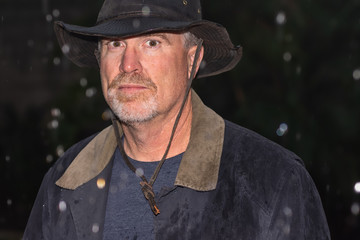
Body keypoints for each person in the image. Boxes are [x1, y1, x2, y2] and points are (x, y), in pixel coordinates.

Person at [23, 0, 330, 239]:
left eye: (151, 43)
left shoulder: (272, 182)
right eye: (115, 44)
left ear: (193, 59)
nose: (128, 65)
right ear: (99, 58)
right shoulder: (64, 181)